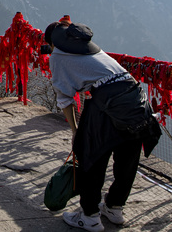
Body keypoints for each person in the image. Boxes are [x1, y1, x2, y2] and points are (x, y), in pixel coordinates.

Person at [44, 20, 161, 232]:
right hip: (137, 99)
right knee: (127, 160)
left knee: (91, 158)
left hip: (108, 103)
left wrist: (75, 131)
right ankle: (115, 208)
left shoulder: (57, 56)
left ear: (53, 43)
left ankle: (89, 216)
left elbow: (64, 98)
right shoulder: (94, 51)